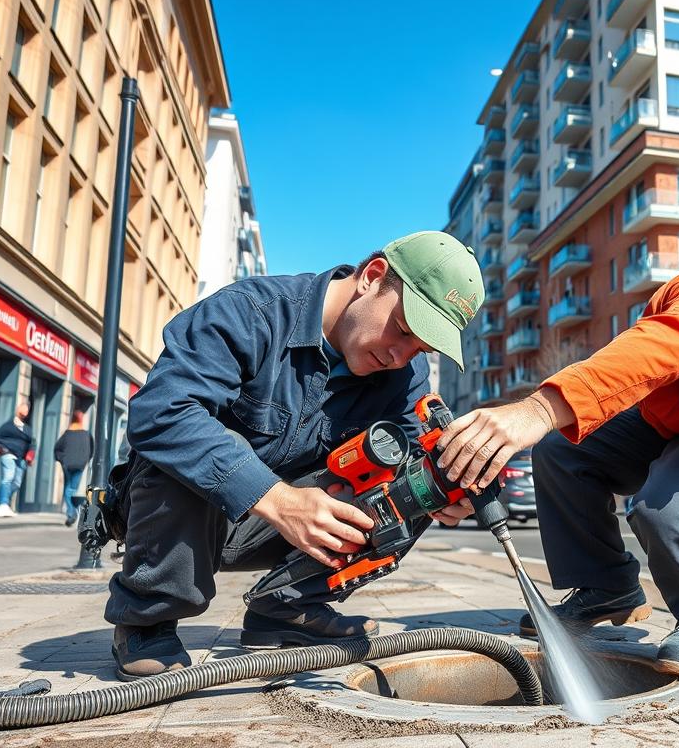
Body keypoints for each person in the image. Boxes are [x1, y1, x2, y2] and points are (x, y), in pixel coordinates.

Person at [104, 231, 482, 680]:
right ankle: (147, 619)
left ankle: (287, 607)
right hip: (182, 517)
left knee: (417, 480)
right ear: (373, 277)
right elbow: (161, 412)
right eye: (403, 330)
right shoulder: (252, 312)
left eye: (421, 349)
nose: (401, 357)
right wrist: (279, 500)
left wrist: (450, 485)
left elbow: (419, 448)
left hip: (279, 529)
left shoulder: (403, 372)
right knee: (190, 441)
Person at [439, 274, 679, 678]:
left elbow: (655, 350)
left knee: (672, 508)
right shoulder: (657, 322)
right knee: (560, 451)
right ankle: (607, 588)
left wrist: (538, 410)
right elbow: (623, 380)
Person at [0, 402, 35, 518]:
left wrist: (30, 456)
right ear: (17, 410)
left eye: (26, 410)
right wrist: (1, 449)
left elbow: (32, 443)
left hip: (21, 457)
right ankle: (3, 505)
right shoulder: (8, 426)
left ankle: (3, 500)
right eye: (23, 409)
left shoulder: (28, 429)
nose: (24, 412)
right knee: (8, 477)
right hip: (8, 454)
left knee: (16, 483)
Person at [54, 411, 93, 526]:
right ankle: (72, 512)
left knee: (69, 488)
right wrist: (84, 461)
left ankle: (71, 512)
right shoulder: (86, 434)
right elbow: (91, 450)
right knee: (72, 488)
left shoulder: (67, 434)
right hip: (79, 465)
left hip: (68, 465)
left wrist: (62, 460)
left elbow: (57, 449)